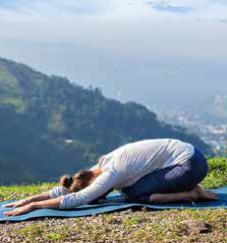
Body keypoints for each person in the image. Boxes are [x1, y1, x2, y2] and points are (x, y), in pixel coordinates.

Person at [3, 139, 218, 216]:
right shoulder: (100, 164)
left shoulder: (110, 174)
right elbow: (69, 190)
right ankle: (189, 188)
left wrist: (32, 208)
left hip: (190, 165)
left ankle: (194, 192)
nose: (99, 195)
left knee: (136, 194)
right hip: (185, 153)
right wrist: (29, 199)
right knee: (129, 189)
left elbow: (75, 199)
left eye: (96, 193)